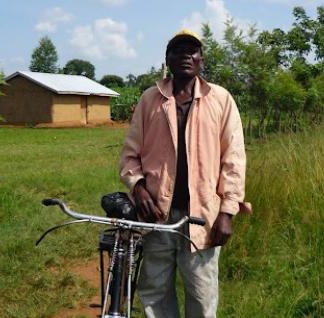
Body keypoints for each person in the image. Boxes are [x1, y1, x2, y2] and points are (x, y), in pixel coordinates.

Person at [119, 29, 250, 318]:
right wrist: (138, 188)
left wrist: (227, 211)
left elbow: (234, 160)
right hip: (156, 216)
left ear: (201, 59)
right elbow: (130, 155)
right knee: (154, 291)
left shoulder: (221, 100)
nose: (185, 56)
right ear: (167, 59)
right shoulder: (150, 100)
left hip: (203, 217)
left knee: (202, 296)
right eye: (178, 51)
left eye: (192, 51)